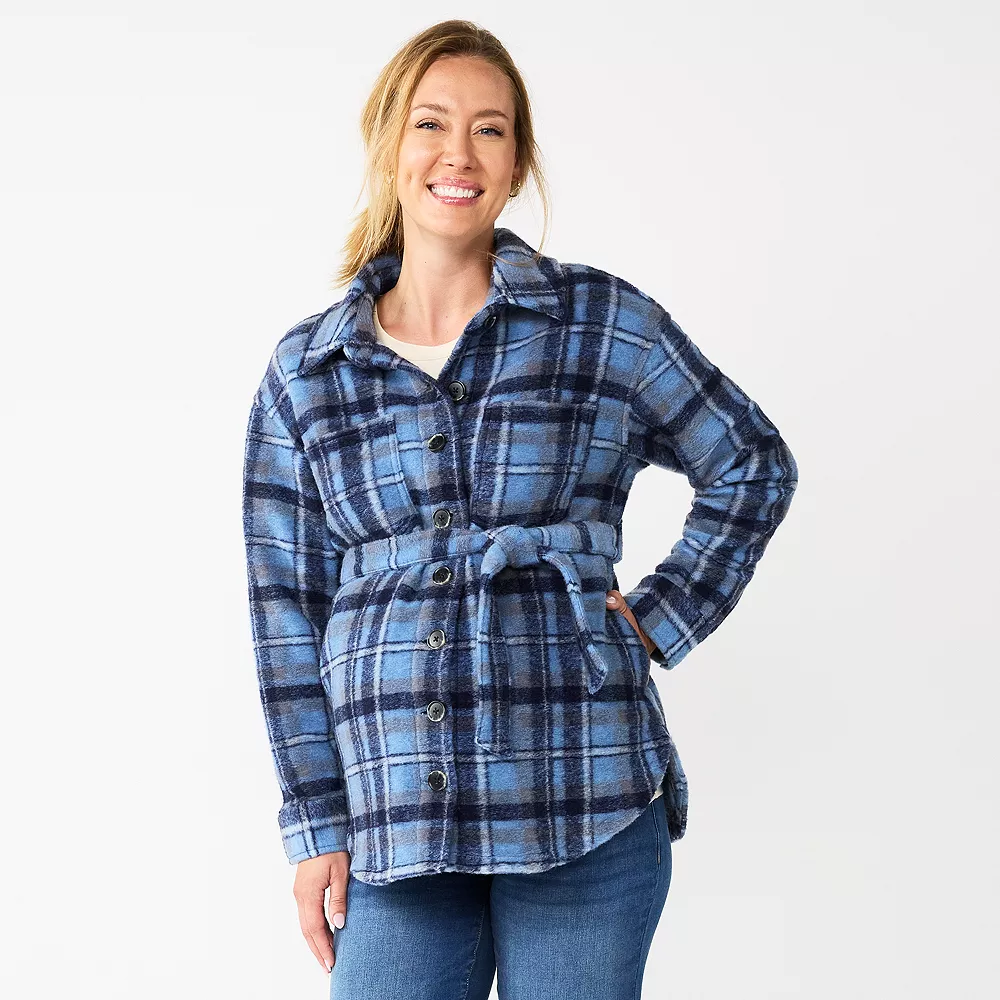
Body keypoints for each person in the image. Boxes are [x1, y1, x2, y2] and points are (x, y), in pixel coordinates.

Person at [241, 19, 798, 1000]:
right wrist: (315, 821)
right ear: (387, 143)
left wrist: (658, 617)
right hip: (397, 812)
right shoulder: (308, 369)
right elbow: (286, 610)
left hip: (584, 789)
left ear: (517, 161)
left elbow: (750, 464)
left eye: (489, 130)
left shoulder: (601, 324)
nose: (458, 154)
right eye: (431, 124)